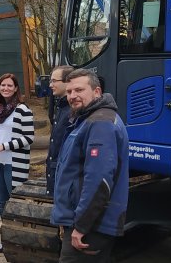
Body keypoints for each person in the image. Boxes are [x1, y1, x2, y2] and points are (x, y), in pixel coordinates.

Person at [50, 69, 129, 263]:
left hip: (92, 227)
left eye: (79, 90)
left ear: (96, 92)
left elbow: (99, 180)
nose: (72, 96)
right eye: (69, 92)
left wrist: (82, 226)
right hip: (85, 222)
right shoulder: (87, 120)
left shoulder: (100, 124)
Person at [0, 73, 34, 254]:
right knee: (2, 202)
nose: (5, 88)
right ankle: (6, 241)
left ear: (16, 88)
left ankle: (19, 241)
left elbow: (29, 138)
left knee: (14, 203)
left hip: (14, 163)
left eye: (9, 86)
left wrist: (3, 146)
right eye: (2, 85)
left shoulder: (22, 110)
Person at [45, 65, 73, 196]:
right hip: (56, 176)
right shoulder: (60, 107)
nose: (50, 85)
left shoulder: (73, 111)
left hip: (64, 179)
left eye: (54, 81)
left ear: (68, 82)